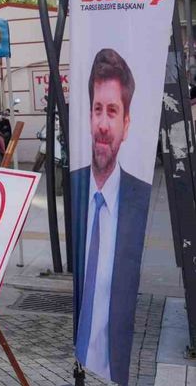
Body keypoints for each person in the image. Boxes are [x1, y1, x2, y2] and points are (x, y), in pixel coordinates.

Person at [72, 48, 152, 385]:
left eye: (113, 111)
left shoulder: (140, 199)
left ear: (126, 123)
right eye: (97, 110)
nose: (103, 124)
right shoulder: (73, 187)